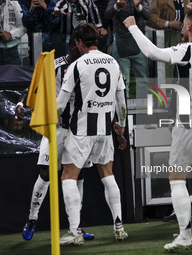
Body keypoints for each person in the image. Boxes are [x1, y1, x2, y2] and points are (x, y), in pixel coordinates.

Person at [124, 2, 192, 254]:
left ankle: (185, 236)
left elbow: (152, 53)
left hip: (191, 122)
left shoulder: (188, 50)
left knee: (176, 179)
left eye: (184, 22)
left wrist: (133, 28)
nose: (181, 26)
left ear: (189, 26)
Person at [16, 36, 100, 241]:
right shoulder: (56, 65)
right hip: (57, 128)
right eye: (80, 49)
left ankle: (76, 228)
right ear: (73, 46)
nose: (83, 52)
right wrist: (20, 104)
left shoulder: (88, 66)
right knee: (46, 173)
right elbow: (33, 87)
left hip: (80, 129)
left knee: (78, 175)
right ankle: (32, 218)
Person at [56, 23, 128, 246]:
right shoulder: (113, 62)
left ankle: (75, 231)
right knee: (108, 175)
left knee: (68, 176)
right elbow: (121, 103)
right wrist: (121, 127)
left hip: (81, 130)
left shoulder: (77, 65)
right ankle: (119, 228)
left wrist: (50, 122)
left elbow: (60, 104)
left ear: (78, 42)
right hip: (105, 129)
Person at [105, 0, 151, 98]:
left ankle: (143, 108)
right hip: (120, 40)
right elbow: (108, 14)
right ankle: (124, 109)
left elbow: (148, 16)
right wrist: (117, 6)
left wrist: (138, 5)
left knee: (142, 79)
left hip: (139, 41)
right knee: (123, 80)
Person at [146, 0, 189, 83]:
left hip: (185, 38)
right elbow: (150, 19)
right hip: (167, 37)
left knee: (184, 67)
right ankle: (168, 92)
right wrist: (168, 24)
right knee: (169, 69)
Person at [18, 0, 66, 65]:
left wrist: (46, 8)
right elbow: (26, 24)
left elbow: (56, 23)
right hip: (35, 45)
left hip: (54, 44)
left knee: (55, 70)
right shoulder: (24, 3)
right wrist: (31, 10)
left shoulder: (54, 2)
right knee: (37, 71)